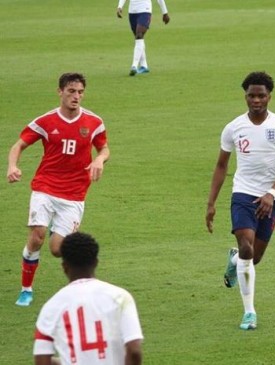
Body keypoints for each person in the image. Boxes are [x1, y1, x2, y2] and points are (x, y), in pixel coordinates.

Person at [7, 72, 110, 307]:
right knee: (37, 236)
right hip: (45, 186)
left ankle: (54, 229)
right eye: (72, 91)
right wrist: (13, 165)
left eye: (80, 92)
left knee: (56, 249)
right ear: (60, 92)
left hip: (74, 193)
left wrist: (99, 160)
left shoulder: (94, 122)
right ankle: (26, 289)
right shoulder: (45, 121)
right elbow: (19, 144)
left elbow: (104, 149)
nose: (76, 96)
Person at [205, 71, 275, 330]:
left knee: (253, 259)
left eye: (261, 95)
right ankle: (249, 313)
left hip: (269, 198)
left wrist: (272, 193)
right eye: (251, 96)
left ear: (269, 96)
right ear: (245, 96)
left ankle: (234, 261)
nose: (256, 100)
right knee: (247, 247)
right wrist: (211, 203)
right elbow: (221, 166)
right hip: (242, 195)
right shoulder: (234, 127)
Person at [33, 232, 143, 365]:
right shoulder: (120, 297)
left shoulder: (51, 307)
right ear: (96, 262)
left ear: (64, 267)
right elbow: (134, 351)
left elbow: (41, 360)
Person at [116, 0, 170, 76]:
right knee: (139, 39)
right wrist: (120, 6)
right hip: (132, 12)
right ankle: (144, 66)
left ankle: (134, 66)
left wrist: (165, 12)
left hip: (145, 10)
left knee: (139, 35)